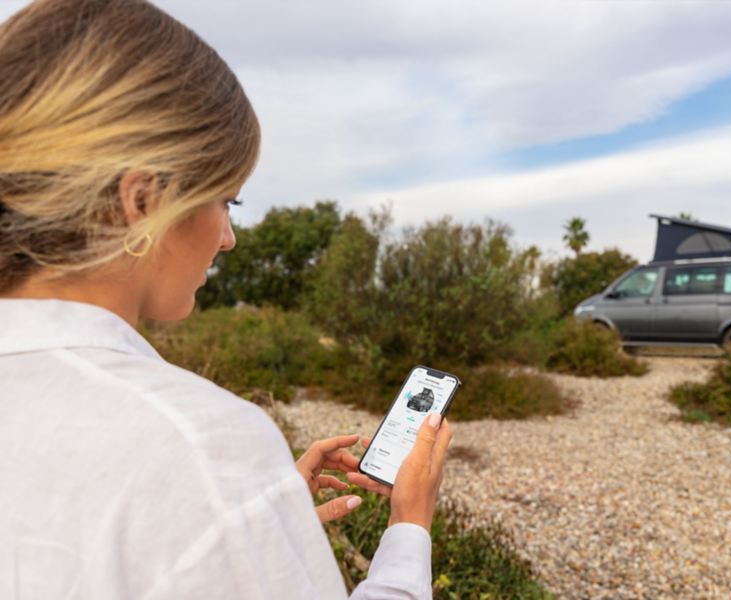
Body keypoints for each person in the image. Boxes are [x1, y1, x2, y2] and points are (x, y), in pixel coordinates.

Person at [0, 1, 452, 598]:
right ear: (142, 201)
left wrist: (244, 532)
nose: (229, 238)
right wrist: (409, 529)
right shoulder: (200, 445)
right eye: (227, 201)